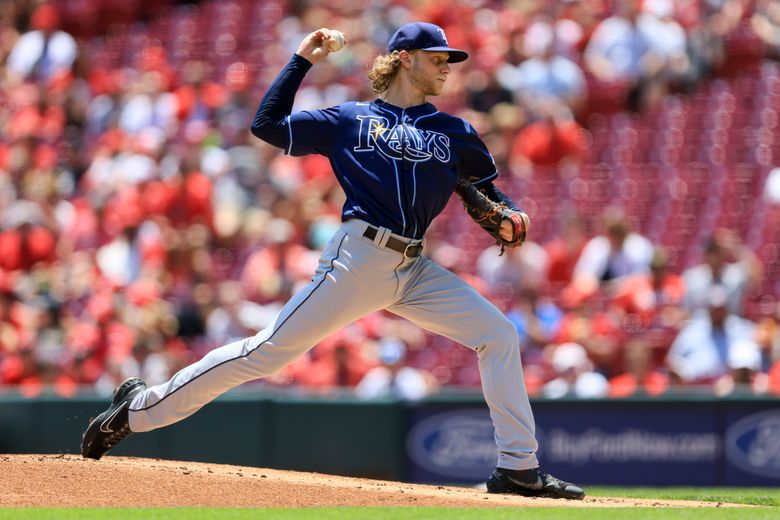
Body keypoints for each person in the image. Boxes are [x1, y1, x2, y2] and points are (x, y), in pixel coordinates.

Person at [80, 22, 584, 500]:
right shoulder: (349, 118)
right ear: (405, 60)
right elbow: (267, 125)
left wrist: (510, 214)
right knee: (269, 352)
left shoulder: (453, 130)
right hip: (358, 258)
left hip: (412, 267)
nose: (448, 66)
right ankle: (137, 412)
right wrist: (302, 60)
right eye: (438, 58)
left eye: (449, 59)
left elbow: (484, 187)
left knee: (496, 334)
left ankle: (518, 468)